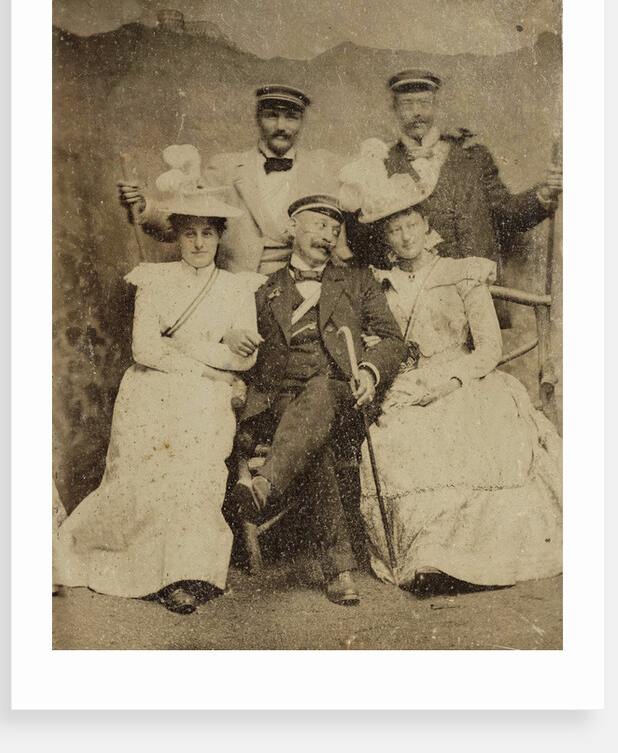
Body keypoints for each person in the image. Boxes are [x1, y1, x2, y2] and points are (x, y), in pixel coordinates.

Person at [53, 188, 262, 614]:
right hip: (152, 387)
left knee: (193, 469)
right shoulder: (153, 278)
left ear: (220, 236)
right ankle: (155, 574)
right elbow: (144, 350)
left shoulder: (237, 288)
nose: (199, 243)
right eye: (189, 234)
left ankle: (187, 570)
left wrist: (184, 344)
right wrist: (209, 356)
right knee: (152, 470)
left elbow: (247, 355)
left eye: (207, 233)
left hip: (208, 395)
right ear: (176, 237)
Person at [352, 180, 562, 595]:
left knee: (477, 434)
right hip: (408, 386)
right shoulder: (379, 285)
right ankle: (427, 557)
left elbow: (488, 349)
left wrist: (449, 383)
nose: (406, 235)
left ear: (426, 224)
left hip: (467, 379)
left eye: (411, 223)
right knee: (397, 442)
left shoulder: (462, 272)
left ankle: (477, 556)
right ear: (386, 239)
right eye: (395, 229)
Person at [229, 194, 408, 606]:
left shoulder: (358, 281)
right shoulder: (262, 290)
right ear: (292, 228)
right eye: (317, 225)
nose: (327, 236)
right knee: (316, 443)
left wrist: (369, 370)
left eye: (334, 229)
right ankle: (340, 570)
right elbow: (235, 343)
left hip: (339, 395)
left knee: (323, 394)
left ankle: (264, 485)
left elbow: (393, 340)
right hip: (277, 405)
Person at [340, 70, 562, 326]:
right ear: (394, 109)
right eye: (407, 104)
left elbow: (507, 215)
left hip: (481, 294)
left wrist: (543, 193)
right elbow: (369, 244)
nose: (417, 113)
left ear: (436, 105)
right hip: (420, 303)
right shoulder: (381, 165)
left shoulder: (473, 157)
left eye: (424, 103)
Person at [118, 85, 344, 274]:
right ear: (257, 118)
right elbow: (179, 225)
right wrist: (144, 206)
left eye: (291, 118)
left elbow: (340, 245)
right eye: (271, 116)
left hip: (301, 296)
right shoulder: (225, 168)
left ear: (302, 122)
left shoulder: (321, 173)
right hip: (237, 290)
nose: (281, 127)